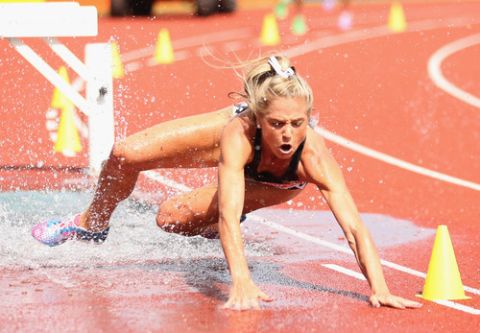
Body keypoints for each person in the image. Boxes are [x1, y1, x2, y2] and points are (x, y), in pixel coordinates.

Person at [32, 55, 422, 311]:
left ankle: (203, 218)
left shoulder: (312, 158)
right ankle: (90, 222)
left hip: (271, 184)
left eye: (297, 124)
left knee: (169, 218)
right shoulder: (238, 131)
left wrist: (379, 287)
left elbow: (353, 227)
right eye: (277, 124)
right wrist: (241, 281)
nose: (287, 135)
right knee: (124, 153)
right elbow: (229, 215)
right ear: (258, 117)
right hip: (237, 151)